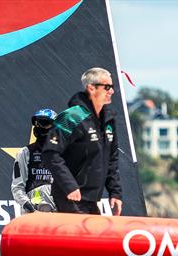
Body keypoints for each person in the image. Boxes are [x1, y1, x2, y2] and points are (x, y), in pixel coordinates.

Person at [42, 67, 124, 215]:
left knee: (97, 236)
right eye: (107, 87)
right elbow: (50, 153)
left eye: (112, 87)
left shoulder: (109, 119)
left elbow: (111, 159)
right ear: (91, 88)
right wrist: (70, 185)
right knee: (83, 236)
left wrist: (115, 192)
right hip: (69, 195)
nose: (111, 91)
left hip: (91, 199)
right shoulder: (72, 117)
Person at [11, 108, 57, 213]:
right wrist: (29, 207)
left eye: (44, 123)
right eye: (36, 123)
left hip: (58, 213)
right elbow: (17, 187)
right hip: (33, 213)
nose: (38, 127)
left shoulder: (63, 153)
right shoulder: (25, 153)